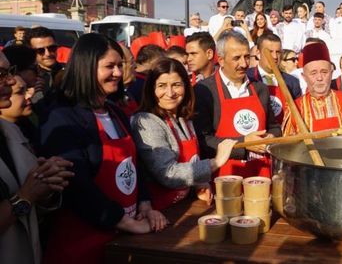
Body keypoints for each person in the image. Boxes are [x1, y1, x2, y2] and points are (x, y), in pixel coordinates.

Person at [40, 33, 168, 264]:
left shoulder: (115, 111)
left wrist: (145, 205)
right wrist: (123, 220)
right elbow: (76, 184)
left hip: (122, 239)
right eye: (110, 66)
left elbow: (133, 165)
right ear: (86, 68)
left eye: (120, 65)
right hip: (83, 243)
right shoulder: (62, 118)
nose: (118, 73)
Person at [131, 58, 236, 210]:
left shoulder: (183, 118)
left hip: (182, 206)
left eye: (176, 85)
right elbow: (169, 173)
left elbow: (190, 162)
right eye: (162, 86)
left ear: (186, 87)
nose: (170, 93)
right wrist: (216, 162)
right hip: (160, 212)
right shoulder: (146, 122)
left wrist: (198, 182)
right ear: (151, 89)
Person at [0, 51, 74, 264]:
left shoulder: (11, 131)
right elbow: (25, 196)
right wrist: (25, 196)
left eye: (10, 72)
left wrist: (46, 180)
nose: (12, 80)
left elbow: (37, 203)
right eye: (1, 74)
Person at [193, 30, 281, 174]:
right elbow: (203, 140)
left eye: (247, 57)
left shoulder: (260, 89)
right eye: (236, 58)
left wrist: (272, 137)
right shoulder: (204, 91)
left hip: (261, 174)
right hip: (224, 177)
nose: (244, 64)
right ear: (221, 60)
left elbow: (275, 127)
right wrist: (243, 144)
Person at [282, 42, 342, 135]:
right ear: (304, 77)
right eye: (313, 73)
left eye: (324, 72)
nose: (319, 78)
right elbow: (289, 145)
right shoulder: (295, 109)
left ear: (331, 73)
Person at [247, 33, 302, 124]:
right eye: (270, 52)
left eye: (278, 52)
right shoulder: (248, 78)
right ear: (258, 53)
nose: (275, 57)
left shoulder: (292, 82)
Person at [26, 27, 65, 101]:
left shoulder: (70, 71)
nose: (48, 54)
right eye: (40, 50)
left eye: (52, 48)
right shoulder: (28, 79)